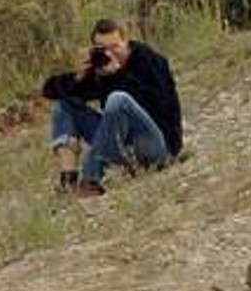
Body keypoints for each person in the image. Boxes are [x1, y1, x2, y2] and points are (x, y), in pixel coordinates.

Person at [41, 19, 184, 197]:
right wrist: (78, 76)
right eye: (103, 48)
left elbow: (159, 109)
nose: (109, 53)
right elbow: (49, 90)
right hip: (124, 149)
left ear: (126, 42)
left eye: (115, 46)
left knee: (118, 99)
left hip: (158, 146)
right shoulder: (101, 68)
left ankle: (90, 180)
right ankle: (68, 181)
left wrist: (118, 74)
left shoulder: (150, 61)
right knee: (64, 105)